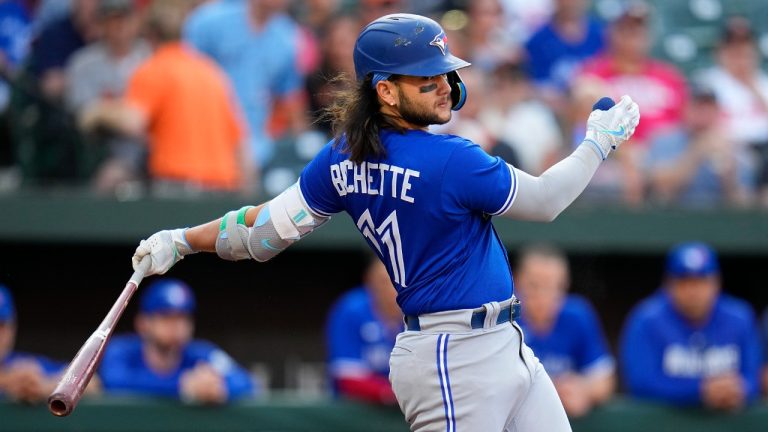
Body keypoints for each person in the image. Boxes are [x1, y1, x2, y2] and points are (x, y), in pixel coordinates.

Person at [130, 13, 638, 431]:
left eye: (444, 74)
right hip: (453, 356)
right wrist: (598, 144)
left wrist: (181, 240)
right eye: (427, 77)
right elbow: (547, 201)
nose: (445, 86)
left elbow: (259, 236)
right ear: (386, 92)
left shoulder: (342, 158)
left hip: (500, 343)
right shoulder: (449, 160)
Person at [79, 0, 254, 196]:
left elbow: (132, 121)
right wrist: (248, 194)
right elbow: (241, 145)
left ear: (150, 35)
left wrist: (96, 112)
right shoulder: (211, 71)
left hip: (177, 187)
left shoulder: (154, 68)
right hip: (222, 190)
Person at [620, 242, 761, 410]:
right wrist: (700, 390)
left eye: (701, 281)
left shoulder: (740, 317)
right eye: (684, 282)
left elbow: (753, 377)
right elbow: (640, 383)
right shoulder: (646, 319)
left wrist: (738, 389)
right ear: (668, 284)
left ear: (717, 283)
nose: (693, 291)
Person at [577, 1, 686, 205]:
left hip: (663, 156)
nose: (634, 36)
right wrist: (628, 151)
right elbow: (582, 115)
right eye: (627, 30)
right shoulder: (595, 73)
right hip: (615, 154)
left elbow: (683, 124)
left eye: (640, 30)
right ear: (614, 33)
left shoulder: (669, 76)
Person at [99, 278, 255, 403]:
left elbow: (246, 382)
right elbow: (113, 380)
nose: (177, 326)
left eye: (182, 317)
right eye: (166, 317)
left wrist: (218, 388)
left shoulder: (202, 353)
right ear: (143, 323)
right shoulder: (121, 350)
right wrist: (181, 386)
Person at [514, 244, 615, 417]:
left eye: (553, 286)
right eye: (533, 285)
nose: (542, 295)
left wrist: (584, 390)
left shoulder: (577, 315)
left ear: (565, 285)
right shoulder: (506, 318)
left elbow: (605, 380)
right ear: (516, 282)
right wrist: (549, 390)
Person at [65, 0, 150, 193]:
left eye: (124, 19)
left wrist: (108, 110)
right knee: (108, 176)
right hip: (104, 149)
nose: (119, 26)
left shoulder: (150, 56)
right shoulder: (83, 63)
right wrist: (125, 115)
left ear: (136, 21)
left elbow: (152, 116)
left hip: (149, 148)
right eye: (112, 20)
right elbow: (85, 117)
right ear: (101, 24)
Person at [695, 17, 768, 206]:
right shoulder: (708, 81)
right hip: (729, 150)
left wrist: (752, 86)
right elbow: (700, 123)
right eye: (733, 47)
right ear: (721, 51)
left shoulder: (764, 83)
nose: (739, 54)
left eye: (745, 48)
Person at [645, 83, 754, 207]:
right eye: (698, 107)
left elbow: (743, 202)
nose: (704, 113)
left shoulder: (732, 143)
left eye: (709, 107)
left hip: (719, 218)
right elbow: (661, 187)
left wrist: (729, 171)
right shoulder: (665, 139)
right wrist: (698, 151)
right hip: (675, 215)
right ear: (685, 109)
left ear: (717, 111)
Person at [325, 257, 402, 405]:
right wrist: (394, 394)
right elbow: (347, 377)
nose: (391, 289)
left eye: (396, 282)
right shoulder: (351, 310)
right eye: (384, 282)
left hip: (408, 410)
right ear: (369, 283)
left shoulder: (417, 311)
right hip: (357, 412)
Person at [0, 284, 67, 403]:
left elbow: (91, 382)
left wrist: (46, 387)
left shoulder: (22, 364)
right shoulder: (15, 373)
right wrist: (6, 381)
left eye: (2, 325)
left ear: (13, 326)